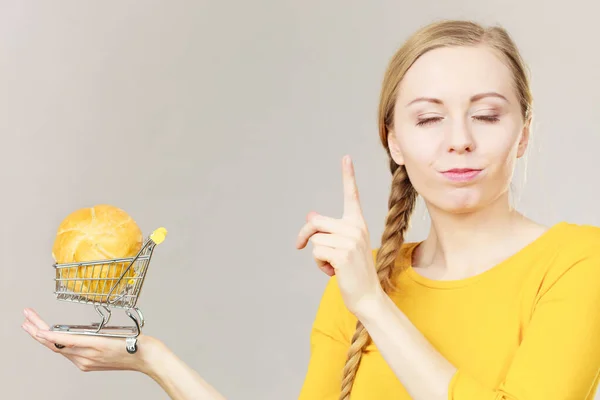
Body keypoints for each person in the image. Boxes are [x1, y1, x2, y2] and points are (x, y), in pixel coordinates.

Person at [22, 19, 600, 400]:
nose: (459, 140)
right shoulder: (359, 282)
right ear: (393, 140)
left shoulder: (579, 262)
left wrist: (371, 304)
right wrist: (150, 356)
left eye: (487, 114)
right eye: (428, 117)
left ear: (522, 133)